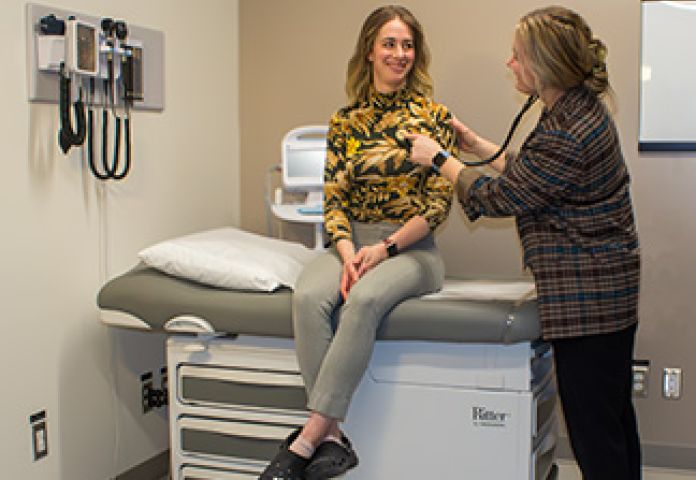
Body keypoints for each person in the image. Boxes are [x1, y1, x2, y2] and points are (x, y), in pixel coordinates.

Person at [407, 6, 641, 479]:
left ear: (544, 65)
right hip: (608, 293)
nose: (509, 63)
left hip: (589, 301)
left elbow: (503, 197)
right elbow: (536, 176)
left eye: (517, 56)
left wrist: (440, 161)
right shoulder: (574, 110)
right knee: (613, 419)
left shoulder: (568, 131)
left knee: (595, 431)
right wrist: (475, 145)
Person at [259, 5, 457, 480]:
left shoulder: (434, 117)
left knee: (362, 300)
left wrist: (384, 250)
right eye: (389, 43)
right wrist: (348, 254)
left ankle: (307, 438)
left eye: (407, 45)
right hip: (352, 244)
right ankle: (333, 441)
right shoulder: (345, 121)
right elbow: (335, 200)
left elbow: (436, 208)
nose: (399, 54)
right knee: (308, 296)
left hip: (411, 250)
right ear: (370, 50)